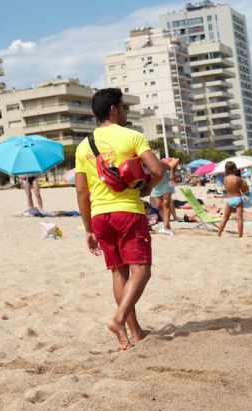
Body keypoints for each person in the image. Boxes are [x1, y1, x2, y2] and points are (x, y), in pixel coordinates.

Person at [74, 88, 164, 352]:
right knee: (142, 270)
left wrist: (87, 228)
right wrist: (147, 188)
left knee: (118, 272)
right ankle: (118, 320)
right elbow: (157, 170)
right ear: (113, 109)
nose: (126, 111)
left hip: (100, 216)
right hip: (127, 211)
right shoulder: (132, 136)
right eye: (124, 107)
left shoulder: (83, 146)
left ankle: (134, 332)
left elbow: (82, 191)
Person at [217, 161, 248, 238]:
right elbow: (244, 191)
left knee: (225, 218)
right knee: (240, 219)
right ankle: (240, 236)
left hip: (229, 199)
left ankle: (218, 234)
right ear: (234, 168)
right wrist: (246, 187)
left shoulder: (225, 179)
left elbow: (227, 189)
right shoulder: (239, 179)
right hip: (237, 198)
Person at [150, 158, 177, 236]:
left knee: (166, 204)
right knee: (159, 206)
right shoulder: (143, 165)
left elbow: (171, 167)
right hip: (155, 185)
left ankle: (165, 227)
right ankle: (167, 224)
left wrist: (171, 178)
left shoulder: (158, 162)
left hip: (166, 182)